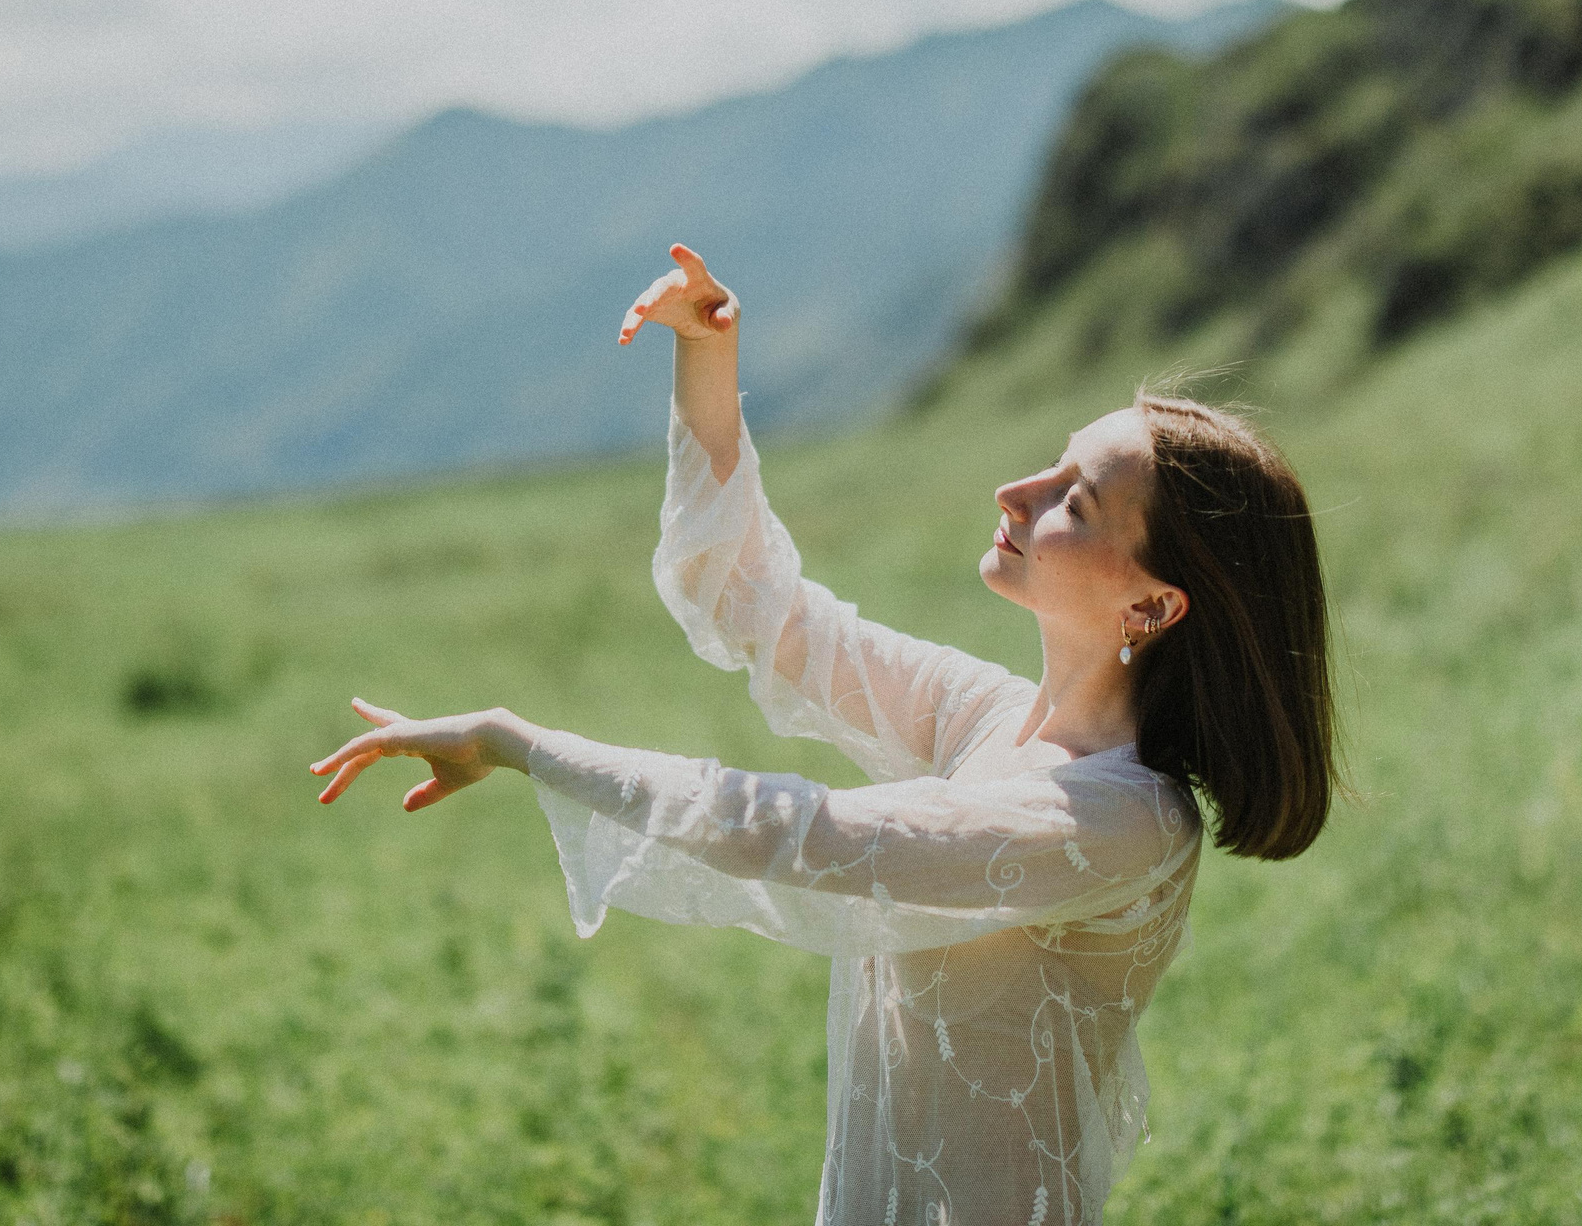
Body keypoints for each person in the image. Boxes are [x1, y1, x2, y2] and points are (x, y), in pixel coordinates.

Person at [310, 244, 1341, 1225]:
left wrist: (514, 741)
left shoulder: (1120, 821)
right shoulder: (990, 722)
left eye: (1073, 499)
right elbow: (763, 607)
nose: (1014, 493)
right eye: (1049, 465)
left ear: (1153, 608)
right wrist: (708, 356)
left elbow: (810, 838)